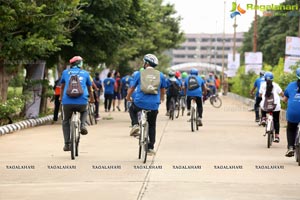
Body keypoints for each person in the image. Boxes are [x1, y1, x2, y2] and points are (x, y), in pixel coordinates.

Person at [126, 54, 166, 156]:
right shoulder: (160, 75)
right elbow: (162, 90)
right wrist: (161, 98)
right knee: (152, 125)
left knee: (132, 109)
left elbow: (131, 88)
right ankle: (151, 147)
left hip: (139, 102)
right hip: (153, 105)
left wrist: (128, 97)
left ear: (146, 63)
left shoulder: (139, 73)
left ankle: (135, 125)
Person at [59, 56, 94, 151]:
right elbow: (90, 89)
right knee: (84, 110)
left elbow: (62, 87)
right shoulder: (86, 73)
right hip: (82, 101)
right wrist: (92, 99)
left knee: (66, 120)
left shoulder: (65, 73)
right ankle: (83, 125)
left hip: (67, 102)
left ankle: (67, 144)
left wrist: (61, 98)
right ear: (79, 63)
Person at [259, 71, 284, 143]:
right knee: (276, 120)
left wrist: (262, 96)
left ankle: (263, 118)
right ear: (272, 79)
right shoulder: (276, 85)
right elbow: (282, 94)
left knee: (262, 104)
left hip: (266, 106)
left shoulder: (263, 85)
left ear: (265, 79)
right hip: (275, 106)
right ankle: (277, 136)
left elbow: (260, 95)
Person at [283, 68, 300, 157]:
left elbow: (285, 99)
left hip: (293, 114)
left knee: (291, 129)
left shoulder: (290, 85)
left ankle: (290, 147)